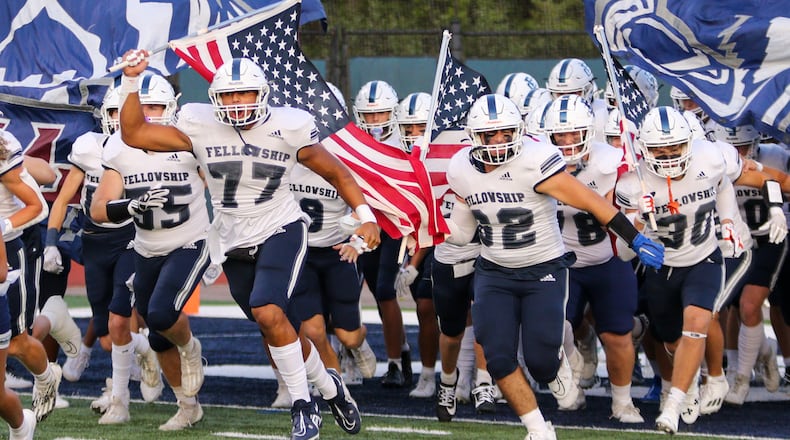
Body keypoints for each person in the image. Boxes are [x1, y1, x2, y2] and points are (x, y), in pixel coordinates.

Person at [119, 51, 375, 439]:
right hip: (232, 238)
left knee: (269, 310)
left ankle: (303, 406)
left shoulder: (289, 126)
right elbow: (134, 133)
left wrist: (366, 215)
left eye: (245, 94)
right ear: (215, 99)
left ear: (263, 94)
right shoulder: (199, 124)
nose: (237, 104)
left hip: (280, 227)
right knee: (274, 326)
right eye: (228, 96)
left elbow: (337, 172)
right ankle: (330, 386)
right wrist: (132, 81)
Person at [444, 94, 664, 439]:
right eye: (491, 135)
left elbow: (591, 201)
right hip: (495, 271)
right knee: (499, 356)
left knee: (541, 361)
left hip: (543, 270)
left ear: (518, 131)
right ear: (475, 137)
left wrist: (633, 237)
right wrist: (431, 229)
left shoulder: (535, 161)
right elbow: (462, 232)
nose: (499, 142)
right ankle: (538, 429)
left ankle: (556, 368)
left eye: (505, 133)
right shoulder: (461, 169)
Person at [614, 106, 746, 434]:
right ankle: (694, 380)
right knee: (674, 342)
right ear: (644, 148)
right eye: (660, 149)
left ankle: (677, 401)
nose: (670, 155)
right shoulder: (633, 182)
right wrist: (639, 220)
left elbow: (724, 185)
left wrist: (728, 221)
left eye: (676, 146)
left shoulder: (712, 157)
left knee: (697, 325)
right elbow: (620, 252)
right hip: (663, 269)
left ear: (689, 142)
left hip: (704, 259)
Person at [90, 72, 207, 430]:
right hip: (146, 246)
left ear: (171, 108)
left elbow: (223, 179)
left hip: (190, 239)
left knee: (159, 312)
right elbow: (98, 208)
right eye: (143, 107)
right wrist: (129, 206)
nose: (150, 114)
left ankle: (191, 349)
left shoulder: (188, 140)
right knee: (156, 334)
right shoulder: (117, 148)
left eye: (156, 105)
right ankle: (188, 406)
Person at [45, 82, 163, 424]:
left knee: (117, 318)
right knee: (107, 333)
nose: (116, 118)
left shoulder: (148, 148)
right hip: (94, 240)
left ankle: (119, 400)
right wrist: (52, 240)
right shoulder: (88, 146)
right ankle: (146, 352)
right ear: (104, 115)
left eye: (120, 111)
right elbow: (65, 197)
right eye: (111, 112)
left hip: (129, 238)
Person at [544, 94, 644, 422]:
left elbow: (631, 211)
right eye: (561, 135)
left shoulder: (612, 162)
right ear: (548, 135)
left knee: (617, 334)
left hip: (607, 259)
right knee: (553, 329)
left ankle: (622, 400)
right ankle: (575, 362)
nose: (569, 142)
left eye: (576, 133)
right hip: (562, 263)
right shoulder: (537, 163)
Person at [353, 80, 413, 388]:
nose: (375, 121)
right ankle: (400, 351)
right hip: (367, 225)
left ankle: (394, 364)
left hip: (395, 227)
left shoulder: (404, 142)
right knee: (375, 292)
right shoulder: (354, 143)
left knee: (386, 290)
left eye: (381, 115)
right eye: (369, 115)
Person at [0, 129, 61, 423]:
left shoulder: (3, 149)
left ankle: (47, 376)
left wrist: (1, 227)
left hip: (8, 248)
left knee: (15, 342)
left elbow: (37, 207)